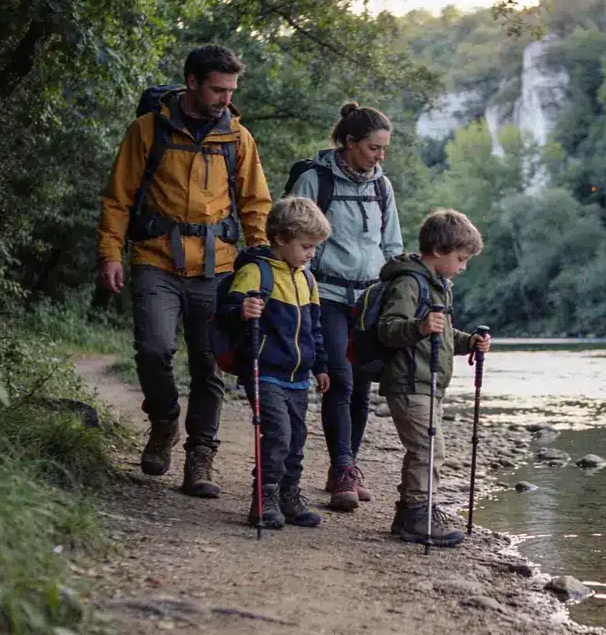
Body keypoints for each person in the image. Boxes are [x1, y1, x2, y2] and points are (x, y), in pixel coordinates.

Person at [96, 44, 272, 498]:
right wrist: (110, 254)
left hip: (220, 267)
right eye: (217, 89)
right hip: (156, 258)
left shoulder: (238, 137)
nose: (225, 99)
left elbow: (256, 205)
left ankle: (201, 455)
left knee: (208, 364)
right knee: (154, 350)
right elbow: (118, 198)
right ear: (192, 82)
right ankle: (164, 421)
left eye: (231, 90)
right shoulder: (147, 130)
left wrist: (262, 263)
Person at [287, 102, 403, 512]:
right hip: (326, 298)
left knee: (361, 385)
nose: (380, 156)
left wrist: (397, 293)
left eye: (384, 149)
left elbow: (392, 246)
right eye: (374, 148)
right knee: (340, 378)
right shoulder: (313, 180)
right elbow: (289, 236)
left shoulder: (381, 186)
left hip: (369, 301)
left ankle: (347, 466)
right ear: (349, 143)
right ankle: (341, 469)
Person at [375, 209, 492, 546]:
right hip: (409, 382)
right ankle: (417, 515)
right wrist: (420, 326)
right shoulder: (409, 283)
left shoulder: (437, 285)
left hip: (429, 384)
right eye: (460, 258)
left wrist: (470, 342)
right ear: (438, 251)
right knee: (428, 448)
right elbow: (388, 329)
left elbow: (440, 335)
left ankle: (410, 513)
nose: (463, 266)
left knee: (426, 448)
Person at [219, 196, 332, 529]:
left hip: (298, 377)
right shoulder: (257, 272)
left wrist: (321, 365)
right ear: (281, 239)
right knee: (278, 435)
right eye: (306, 245)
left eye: (315, 247)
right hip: (264, 371)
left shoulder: (308, 280)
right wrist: (243, 310)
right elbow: (226, 312)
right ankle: (264, 498)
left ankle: (289, 496)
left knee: (297, 437)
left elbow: (315, 329)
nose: (311, 253)